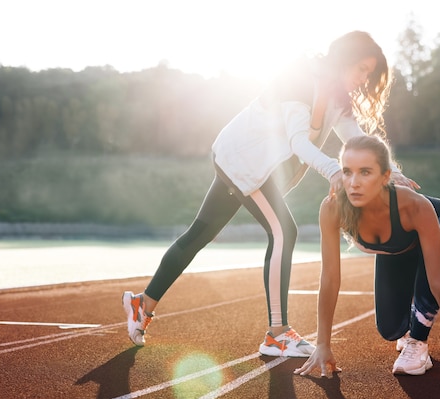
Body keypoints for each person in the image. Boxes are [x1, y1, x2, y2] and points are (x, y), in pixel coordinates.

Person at [122, 31, 415, 357]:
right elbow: (298, 143)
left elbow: (358, 141)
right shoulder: (302, 81)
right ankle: (277, 334)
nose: (364, 79)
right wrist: (334, 171)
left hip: (246, 163)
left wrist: (394, 173)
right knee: (283, 232)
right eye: (362, 69)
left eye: (369, 74)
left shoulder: (337, 98)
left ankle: (142, 304)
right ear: (344, 60)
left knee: (198, 234)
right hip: (244, 160)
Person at [294, 135, 440, 386]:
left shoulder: (413, 206)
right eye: (347, 172)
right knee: (390, 329)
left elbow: (439, 283)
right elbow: (330, 278)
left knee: (429, 275)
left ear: (385, 176)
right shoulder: (332, 207)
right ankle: (409, 331)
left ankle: (418, 343)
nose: (354, 183)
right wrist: (322, 344)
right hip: (400, 248)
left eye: (365, 172)